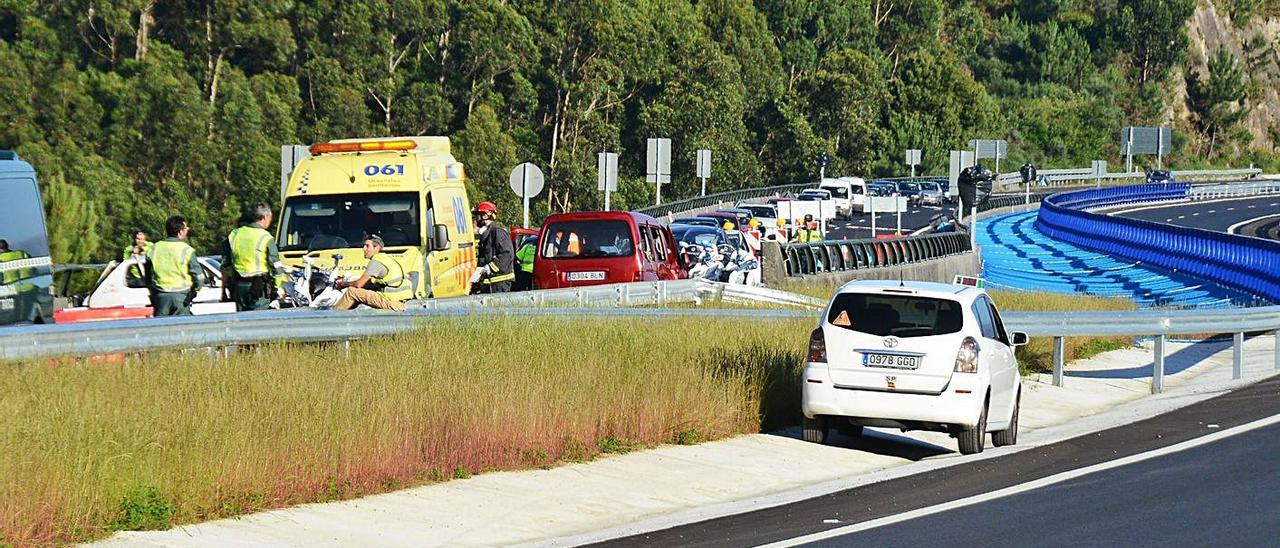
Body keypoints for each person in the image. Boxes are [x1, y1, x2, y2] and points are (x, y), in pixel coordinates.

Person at [220, 203, 284, 311]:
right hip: (259, 288)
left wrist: (226, 287)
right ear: (265, 217)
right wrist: (276, 287)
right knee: (258, 322)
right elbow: (276, 266)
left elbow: (225, 265)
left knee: (242, 322)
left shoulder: (234, 234)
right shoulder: (266, 237)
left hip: (239, 287)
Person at [333, 234, 410, 311]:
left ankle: (332, 317)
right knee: (362, 291)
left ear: (376, 248)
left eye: (367, 246)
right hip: (400, 301)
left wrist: (343, 284)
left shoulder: (376, 262)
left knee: (352, 292)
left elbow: (358, 284)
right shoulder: (387, 258)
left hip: (392, 303)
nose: (364, 249)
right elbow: (369, 284)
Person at [146, 216, 203, 316]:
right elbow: (198, 276)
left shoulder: (153, 249)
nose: (187, 231)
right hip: (181, 297)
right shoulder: (186, 250)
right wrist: (195, 290)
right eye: (186, 229)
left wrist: (152, 291)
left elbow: (147, 275)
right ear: (180, 231)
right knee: (182, 329)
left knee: (162, 328)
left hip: (160, 297)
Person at [469, 201, 515, 293]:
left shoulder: (497, 232)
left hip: (499, 283)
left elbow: (507, 254)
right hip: (490, 284)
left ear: (485, 216)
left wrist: (490, 268)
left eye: (477, 215)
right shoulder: (486, 234)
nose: (476, 219)